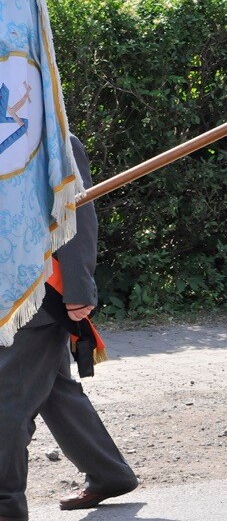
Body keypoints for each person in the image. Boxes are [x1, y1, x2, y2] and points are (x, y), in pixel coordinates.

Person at [0, 135, 139, 520]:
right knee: (53, 390)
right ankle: (110, 473)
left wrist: (78, 287)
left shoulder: (52, 141)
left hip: (37, 294)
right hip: (7, 292)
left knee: (5, 401)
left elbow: (76, 212)